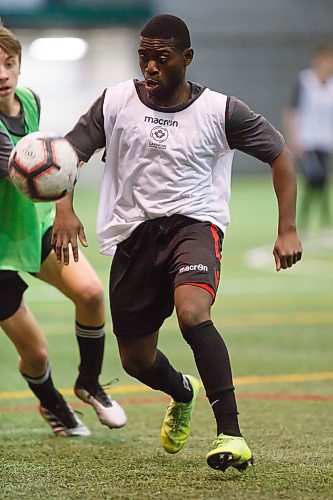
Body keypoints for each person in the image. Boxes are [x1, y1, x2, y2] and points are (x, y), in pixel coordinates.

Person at [52, 14, 302, 471]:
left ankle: (231, 433)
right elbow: (68, 154)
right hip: (133, 235)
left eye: (161, 59)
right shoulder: (115, 102)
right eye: (143, 57)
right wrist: (63, 209)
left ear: (186, 58)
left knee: (192, 314)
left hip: (194, 227)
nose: (150, 67)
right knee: (136, 360)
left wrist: (287, 227)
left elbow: (279, 153)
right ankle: (181, 391)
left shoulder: (221, 111)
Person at [0, 23, 127, 437]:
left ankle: (89, 384)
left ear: (19, 66)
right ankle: (53, 405)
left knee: (91, 293)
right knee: (35, 355)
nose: (2, 73)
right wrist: (61, 198)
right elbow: (26, 170)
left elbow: (47, 163)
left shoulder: (29, 100)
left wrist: (62, 210)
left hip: (31, 229)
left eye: (9, 63)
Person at [284, 44, 333, 233]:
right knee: (314, 178)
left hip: (325, 141)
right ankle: (303, 223)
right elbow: (292, 111)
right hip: (307, 141)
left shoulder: (331, 86)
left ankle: (323, 224)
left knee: (322, 182)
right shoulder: (305, 81)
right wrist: (294, 138)